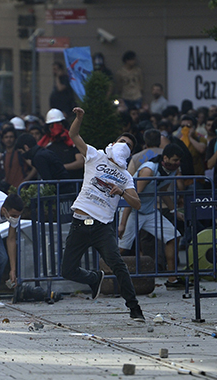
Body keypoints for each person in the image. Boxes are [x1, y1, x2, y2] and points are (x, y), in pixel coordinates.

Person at [64, 106, 145, 322]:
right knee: (67, 270)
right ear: (114, 143)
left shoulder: (125, 176)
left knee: (117, 265)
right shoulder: (95, 155)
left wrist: (122, 193)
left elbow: (136, 203)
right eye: (122, 142)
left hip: (102, 227)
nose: (124, 146)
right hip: (80, 223)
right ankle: (93, 278)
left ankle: (134, 309)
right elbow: (73, 135)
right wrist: (79, 118)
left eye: (129, 145)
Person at [118, 144, 184, 289]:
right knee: (122, 248)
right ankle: (108, 278)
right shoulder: (148, 170)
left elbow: (163, 189)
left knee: (173, 237)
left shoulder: (173, 170)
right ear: (165, 158)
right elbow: (133, 197)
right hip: (132, 211)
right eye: (174, 160)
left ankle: (172, 279)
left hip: (149, 211)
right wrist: (122, 223)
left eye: (178, 160)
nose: (176, 163)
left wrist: (174, 211)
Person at [40, 108, 84, 180]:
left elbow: (80, 162)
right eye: (52, 125)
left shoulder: (72, 142)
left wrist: (62, 167)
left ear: (63, 124)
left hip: (73, 184)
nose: (55, 127)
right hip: (55, 186)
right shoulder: (47, 145)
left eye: (58, 124)